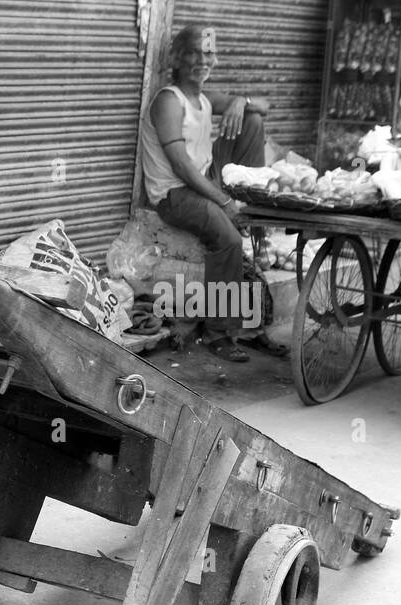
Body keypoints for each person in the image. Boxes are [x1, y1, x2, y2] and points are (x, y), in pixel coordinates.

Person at [139, 24, 286, 361]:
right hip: (174, 194)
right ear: (178, 57)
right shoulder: (169, 101)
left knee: (252, 122)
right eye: (195, 53)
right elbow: (180, 166)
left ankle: (250, 199)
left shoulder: (203, 99)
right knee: (229, 240)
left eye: (209, 53)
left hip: (205, 178)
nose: (203, 61)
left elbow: (264, 105)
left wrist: (240, 101)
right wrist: (222, 200)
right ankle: (218, 333)